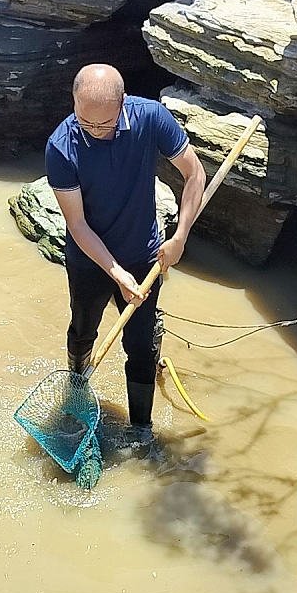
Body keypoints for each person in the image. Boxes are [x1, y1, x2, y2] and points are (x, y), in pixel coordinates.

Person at [45, 64, 206, 433]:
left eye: (105, 124)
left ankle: (141, 429)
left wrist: (179, 236)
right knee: (83, 329)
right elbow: (78, 225)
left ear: (123, 103)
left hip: (143, 256)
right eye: (85, 122)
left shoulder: (151, 117)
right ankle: (77, 386)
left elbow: (194, 173)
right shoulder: (61, 147)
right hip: (89, 259)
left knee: (141, 347)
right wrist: (115, 273)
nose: (96, 133)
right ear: (73, 103)